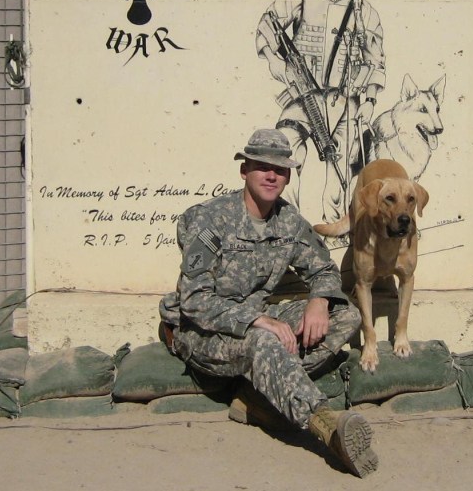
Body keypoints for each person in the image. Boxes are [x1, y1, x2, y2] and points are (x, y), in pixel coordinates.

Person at [159, 128, 378, 478]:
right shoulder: (210, 219)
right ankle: (328, 426)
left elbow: (324, 268)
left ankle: (256, 401)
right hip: (202, 331)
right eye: (262, 166)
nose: (272, 175)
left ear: (288, 175)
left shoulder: (288, 220)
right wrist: (260, 322)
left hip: (258, 319)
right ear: (244, 170)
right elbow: (195, 301)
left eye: (280, 169)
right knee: (264, 339)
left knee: (345, 315)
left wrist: (319, 301)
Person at [255, 0, 386, 221]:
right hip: (303, 95)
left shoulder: (364, 10)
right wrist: (271, 59)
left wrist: (371, 100)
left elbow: (375, 58)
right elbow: (268, 24)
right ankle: (284, 223)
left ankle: (336, 228)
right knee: (283, 152)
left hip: (345, 99)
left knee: (342, 167)